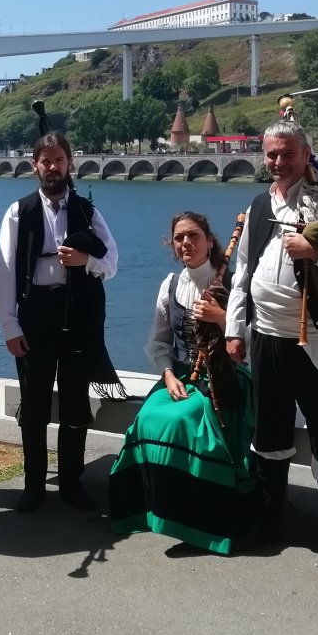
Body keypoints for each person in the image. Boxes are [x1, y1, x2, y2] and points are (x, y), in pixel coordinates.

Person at [225, 121, 318, 574]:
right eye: (271, 154)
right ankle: (269, 522)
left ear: (307, 153)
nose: (277, 162)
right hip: (267, 338)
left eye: (287, 154)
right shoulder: (257, 206)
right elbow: (241, 274)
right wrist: (236, 328)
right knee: (268, 437)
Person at [109, 212, 259, 554]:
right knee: (148, 419)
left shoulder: (234, 283)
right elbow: (158, 342)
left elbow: (256, 345)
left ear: (210, 240)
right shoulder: (171, 285)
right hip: (180, 375)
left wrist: (223, 319)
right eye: (179, 238)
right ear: (172, 246)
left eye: (193, 236)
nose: (186, 243)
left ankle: (199, 521)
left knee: (180, 421)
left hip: (226, 376)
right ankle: (159, 509)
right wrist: (168, 374)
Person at [0, 131, 119, 514]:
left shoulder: (87, 211)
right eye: (45, 161)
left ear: (70, 164)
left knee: (76, 402)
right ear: (36, 166)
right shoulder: (19, 211)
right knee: (33, 404)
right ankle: (34, 484)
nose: (53, 167)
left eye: (59, 160)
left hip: (77, 316)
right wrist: (10, 328)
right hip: (35, 318)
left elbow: (112, 264)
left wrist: (87, 262)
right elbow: (5, 273)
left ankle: (70, 481)